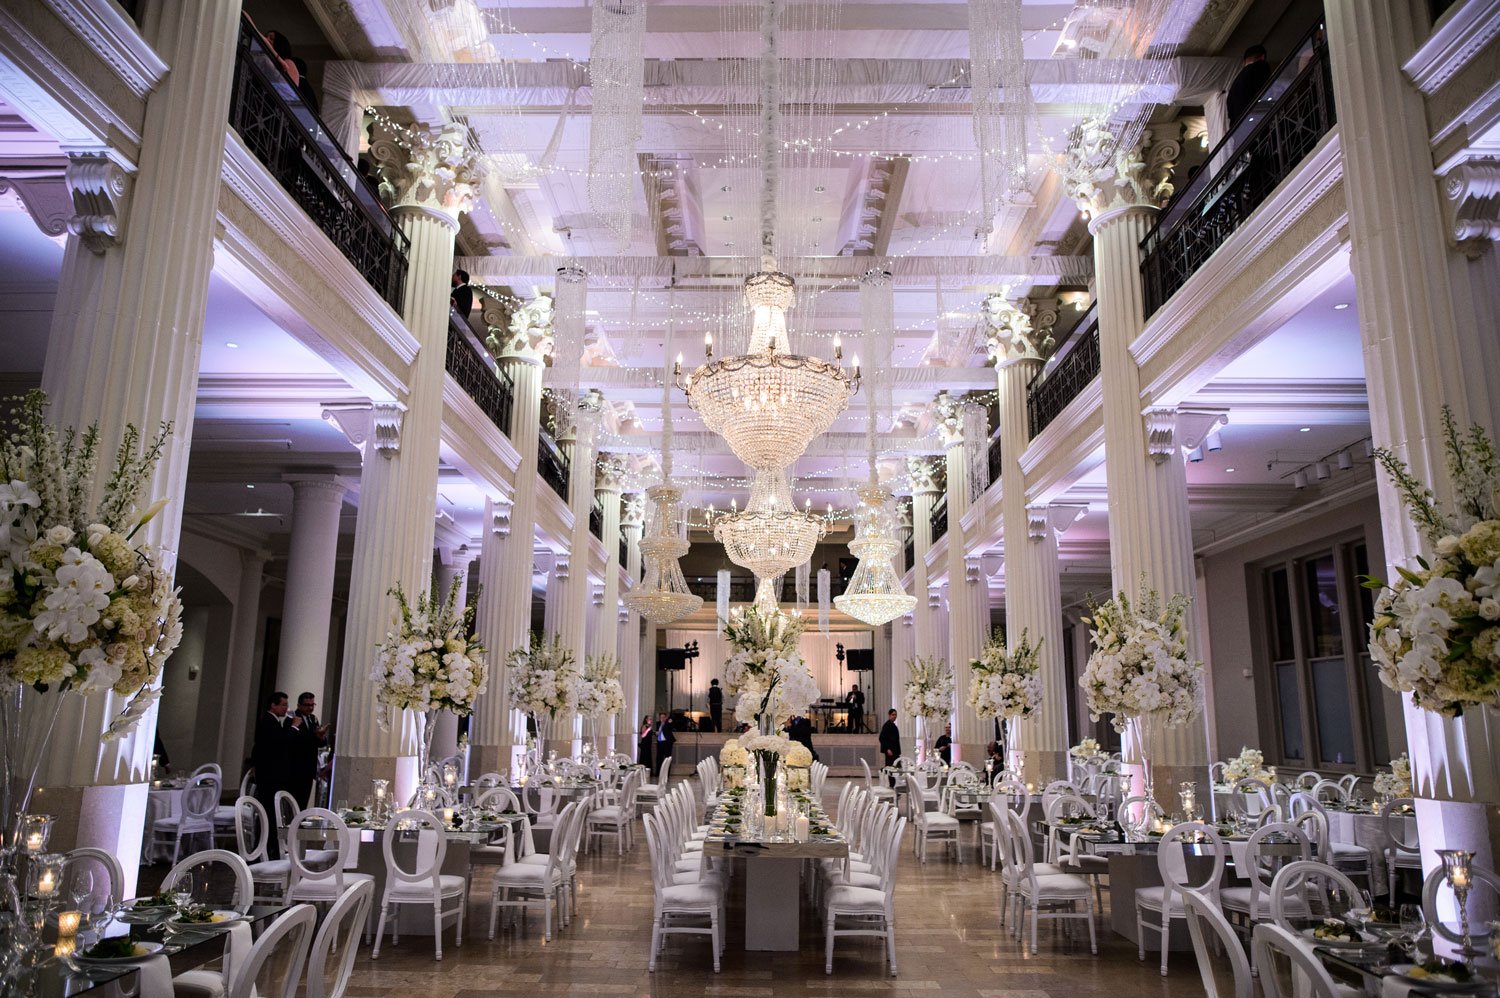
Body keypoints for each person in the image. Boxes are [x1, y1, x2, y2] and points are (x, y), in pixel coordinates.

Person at [250, 691, 302, 858]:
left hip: (271, 774)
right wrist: (294, 727)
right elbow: (280, 743)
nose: (286, 708)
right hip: (270, 775)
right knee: (268, 811)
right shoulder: (268, 721)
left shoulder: (273, 721)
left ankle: (270, 845)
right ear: (273, 705)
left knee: (272, 811)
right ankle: (265, 847)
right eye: (283, 705)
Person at [288, 692, 329, 807]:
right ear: (299, 705)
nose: (310, 708)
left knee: (303, 802)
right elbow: (294, 740)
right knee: (293, 803)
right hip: (295, 767)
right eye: (307, 705)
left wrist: (321, 737)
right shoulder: (292, 718)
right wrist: (314, 736)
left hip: (309, 767)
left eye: (312, 705)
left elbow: (319, 743)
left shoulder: (313, 719)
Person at [1226, 45, 1271, 128]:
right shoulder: (1260, 66)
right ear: (1263, 57)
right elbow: (1266, 92)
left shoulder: (1234, 84)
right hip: (1258, 124)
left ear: (1245, 60)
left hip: (1241, 129)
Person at [878, 708, 901, 776]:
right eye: (893, 715)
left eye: (895, 715)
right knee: (890, 768)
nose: (894, 716)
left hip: (895, 751)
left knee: (895, 768)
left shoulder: (892, 725)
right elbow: (881, 738)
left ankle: (894, 781)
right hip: (890, 751)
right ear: (889, 715)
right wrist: (887, 749)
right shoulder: (887, 725)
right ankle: (891, 781)